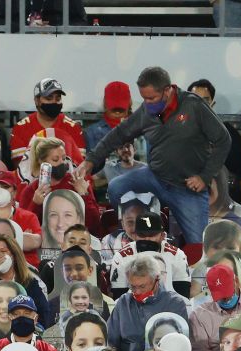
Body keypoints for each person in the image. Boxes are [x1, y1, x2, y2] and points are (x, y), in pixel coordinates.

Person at [78, 66, 231, 245]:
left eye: (151, 98)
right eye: (144, 98)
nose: (147, 103)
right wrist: (91, 160)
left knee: (198, 245)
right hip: (154, 176)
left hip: (187, 187)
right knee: (116, 187)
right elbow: (119, 134)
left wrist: (204, 177)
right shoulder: (146, 111)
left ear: (167, 90)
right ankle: (130, 236)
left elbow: (224, 140)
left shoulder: (193, 105)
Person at [106, 253, 190, 351]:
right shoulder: (123, 302)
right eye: (133, 287)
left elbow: (180, 347)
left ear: (157, 279)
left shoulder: (174, 303)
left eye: (142, 286)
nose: (137, 292)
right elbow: (111, 344)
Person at [10, 78, 85, 167]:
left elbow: (79, 164)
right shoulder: (21, 128)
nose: (54, 102)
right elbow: (20, 167)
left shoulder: (73, 127)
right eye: (49, 98)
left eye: (58, 98)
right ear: (37, 101)